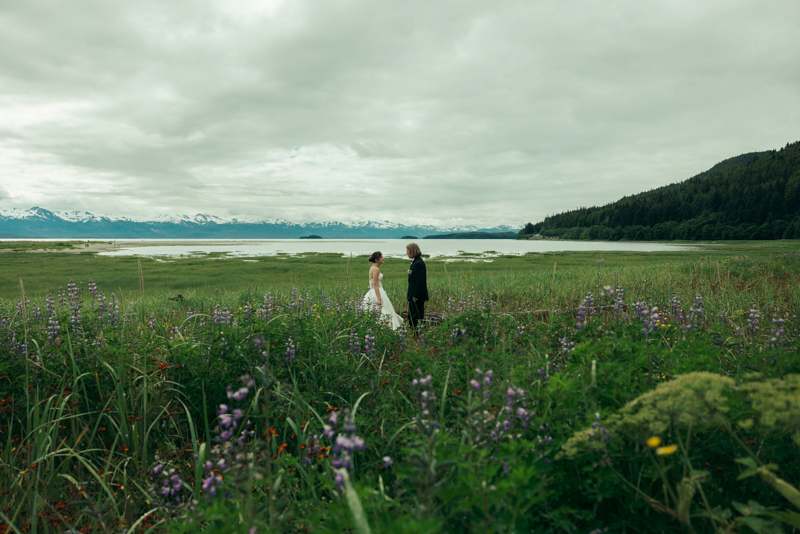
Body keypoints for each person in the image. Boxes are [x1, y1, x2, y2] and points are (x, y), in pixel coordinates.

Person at [360, 251, 404, 330]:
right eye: (381, 257)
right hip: (377, 291)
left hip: (372, 291)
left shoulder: (372, 267)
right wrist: (379, 298)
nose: (383, 258)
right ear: (377, 259)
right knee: (383, 310)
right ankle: (387, 328)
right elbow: (375, 284)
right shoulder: (376, 269)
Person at [406, 243, 429, 330]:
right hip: (414, 296)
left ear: (412, 251)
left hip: (417, 297)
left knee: (416, 317)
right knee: (412, 317)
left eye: (407, 251)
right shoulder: (416, 262)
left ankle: (416, 334)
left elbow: (419, 282)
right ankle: (415, 333)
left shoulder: (418, 263)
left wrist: (414, 296)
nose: (406, 253)